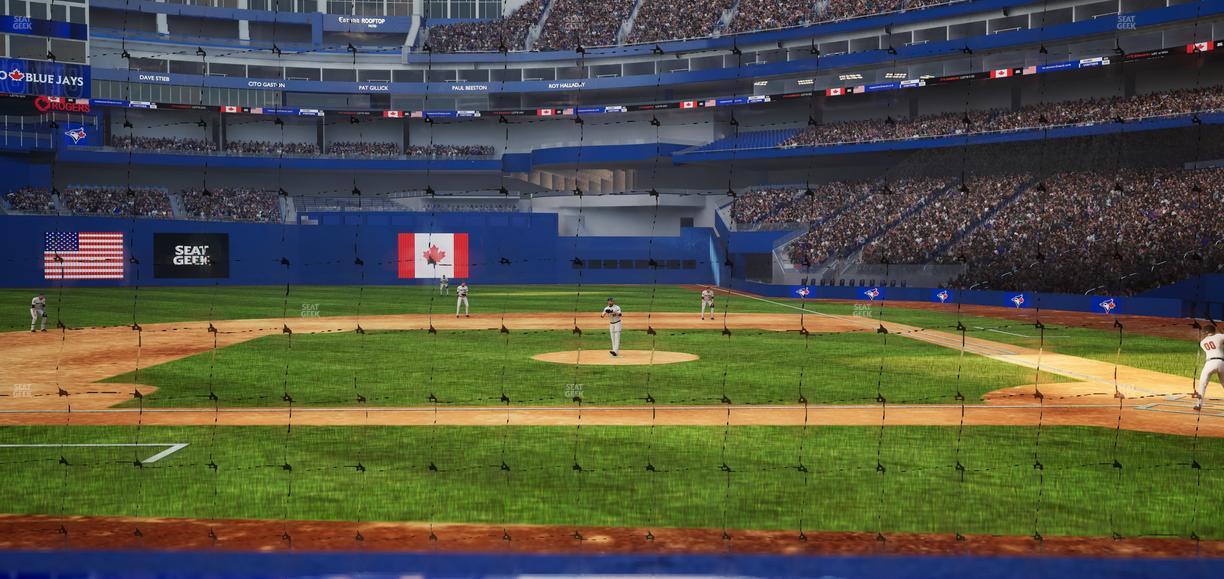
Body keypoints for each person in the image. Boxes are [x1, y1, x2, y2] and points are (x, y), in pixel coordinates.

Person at [1195, 325, 1224, 411]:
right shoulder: (1219, 336)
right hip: (1221, 363)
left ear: (1206, 333)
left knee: (1202, 384)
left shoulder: (1202, 342)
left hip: (1210, 363)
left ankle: (1198, 404)